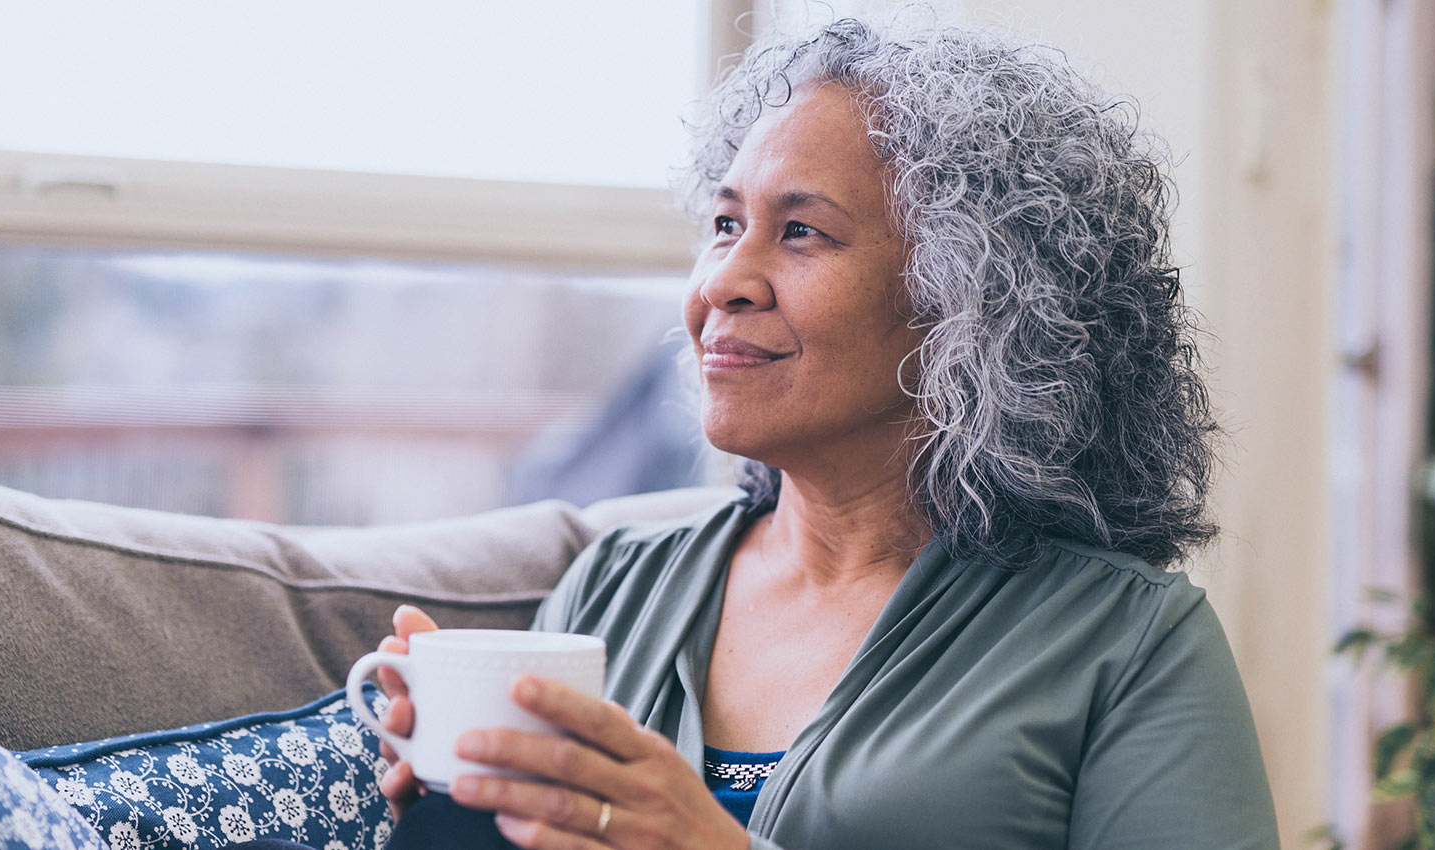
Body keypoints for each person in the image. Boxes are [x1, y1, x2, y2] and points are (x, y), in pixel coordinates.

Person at [367, 17, 1280, 850]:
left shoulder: (1127, 642)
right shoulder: (612, 586)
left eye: (800, 231)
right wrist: (454, 821)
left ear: (975, 300)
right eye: (725, 223)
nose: (723, 281)